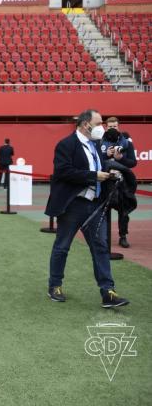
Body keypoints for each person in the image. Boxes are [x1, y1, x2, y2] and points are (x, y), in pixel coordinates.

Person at [45, 109, 129, 308]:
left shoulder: (96, 145)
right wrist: (93, 176)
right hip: (73, 204)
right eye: (99, 123)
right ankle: (55, 285)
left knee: (100, 247)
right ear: (85, 124)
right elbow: (63, 172)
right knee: (62, 246)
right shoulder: (66, 144)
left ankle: (108, 292)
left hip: (95, 205)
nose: (103, 127)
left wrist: (110, 173)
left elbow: (97, 168)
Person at [100, 116, 137, 248]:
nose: (112, 129)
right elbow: (95, 162)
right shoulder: (100, 141)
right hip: (105, 181)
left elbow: (133, 163)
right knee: (102, 209)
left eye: (115, 126)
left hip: (122, 183)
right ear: (106, 127)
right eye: (110, 127)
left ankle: (123, 236)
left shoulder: (127, 142)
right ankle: (102, 236)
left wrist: (120, 158)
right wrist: (105, 155)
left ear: (118, 127)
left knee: (123, 210)